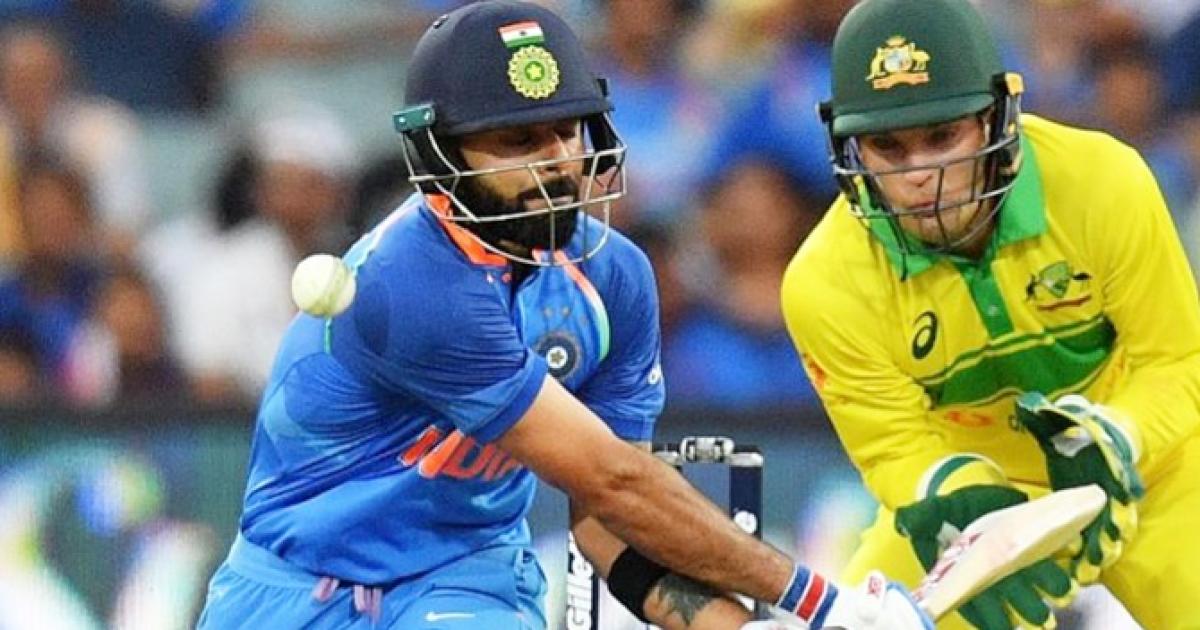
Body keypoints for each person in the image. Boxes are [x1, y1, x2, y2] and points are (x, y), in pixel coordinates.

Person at [195, 3, 931, 630]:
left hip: (463, 579)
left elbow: (611, 525)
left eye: (567, 130)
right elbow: (617, 481)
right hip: (292, 588)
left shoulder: (615, 279)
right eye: (518, 141)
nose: (556, 162)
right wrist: (825, 605)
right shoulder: (409, 280)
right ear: (440, 155)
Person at [780, 1, 1200, 629]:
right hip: (979, 501)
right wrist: (959, 499)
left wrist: (1119, 436)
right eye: (888, 147)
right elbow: (894, 447)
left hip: (1148, 469)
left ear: (998, 119)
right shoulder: (824, 282)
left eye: (942, 137)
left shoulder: (1101, 181)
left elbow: (1177, 360)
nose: (922, 176)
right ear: (851, 149)